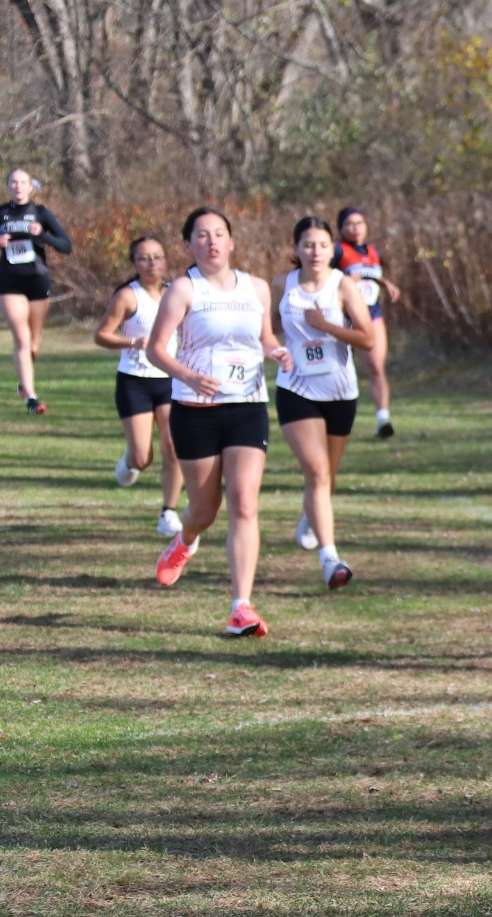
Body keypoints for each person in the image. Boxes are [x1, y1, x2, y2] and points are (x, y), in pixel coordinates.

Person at [144, 206, 291, 637]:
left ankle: (241, 607)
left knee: (245, 503)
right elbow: (156, 349)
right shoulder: (183, 291)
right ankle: (185, 539)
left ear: (231, 241)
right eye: (202, 235)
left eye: (219, 234)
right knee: (205, 510)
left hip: (246, 406)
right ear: (187, 244)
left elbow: (264, 336)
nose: (212, 242)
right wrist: (188, 375)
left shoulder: (257, 288)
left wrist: (275, 351)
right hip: (195, 411)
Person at [275, 216, 375, 589]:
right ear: (296, 248)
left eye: (322, 244)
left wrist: (327, 326)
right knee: (316, 473)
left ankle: (311, 516)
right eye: (308, 244)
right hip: (295, 389)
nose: (315, 251)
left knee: (327, 478)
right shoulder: (280, 285)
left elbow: (367, 339)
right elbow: (264, 327)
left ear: (332, 248)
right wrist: (274, 348)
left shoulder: (343, 285)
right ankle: (330, 558)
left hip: (339, 392)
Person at [93, 235, 185, 537]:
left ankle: (168, 512)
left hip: (170, 378)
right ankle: (130, 461)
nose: (152, 263)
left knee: (174, 447)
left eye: (157, 257)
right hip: (135, 382)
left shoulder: (177, 293)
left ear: (166, 261)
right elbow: (102, 335)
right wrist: (132, 341)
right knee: (142, 457)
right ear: (135, 263)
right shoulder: (127, 296)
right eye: (144, 258)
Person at [0, 167, 71, 415]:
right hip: (10, 280)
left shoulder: (40, 213)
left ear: (31, 187)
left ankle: (24, 380)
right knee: (21, 339)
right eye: (13, 182)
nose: (18, 186)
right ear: (8, 186)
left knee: (33, 344)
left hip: (38, 279)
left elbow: (66, 246)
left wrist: (42, 235)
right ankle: (31, 398)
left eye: (23, 182)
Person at [334, 208, 399, 438]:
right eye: (350, 224)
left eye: (360, 222)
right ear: (341, 228)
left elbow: (370, 275)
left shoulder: (374, 251)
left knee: (375, 366)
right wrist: (346, 280)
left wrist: (386, 283)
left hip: (372, 313)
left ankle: (383, 419)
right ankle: (331, 418)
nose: (356, 227)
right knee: (337, 369)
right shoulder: (336, 249)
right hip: (344, 316)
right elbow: (324, 277)